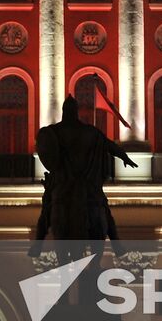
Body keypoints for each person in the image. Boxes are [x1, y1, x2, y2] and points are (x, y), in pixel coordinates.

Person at [32, 96, 137, 250]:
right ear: (77, 112)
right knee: (103, 208)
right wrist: (125, 157)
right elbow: (110, 146)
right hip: (86, 183)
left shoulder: (54, 131)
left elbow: (46, 149)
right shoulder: (90, 132)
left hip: (64, 183)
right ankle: (116, 243)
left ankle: (37, 244)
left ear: (63, 112)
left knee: (47, 207)